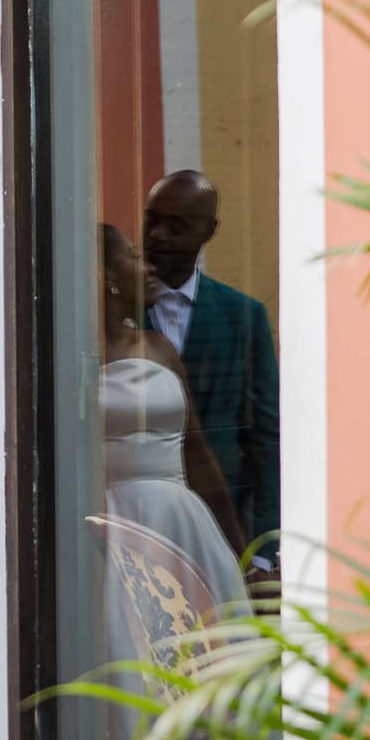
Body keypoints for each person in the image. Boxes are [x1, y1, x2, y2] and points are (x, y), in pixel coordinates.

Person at [99, 225, 246, 606]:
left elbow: (196, 451)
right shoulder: (74, 360)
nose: (148, 267)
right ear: (107, 278)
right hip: (113, 522)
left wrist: (237, 546)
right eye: (133, 256)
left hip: (179, 520)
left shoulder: (159, 348)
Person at [142, 170, 281, 566]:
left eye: (177, 225)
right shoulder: (108, 313)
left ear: (210, 231)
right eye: (152, 218)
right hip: (135, 521)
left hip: (223, 524)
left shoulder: (244, 316)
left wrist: (264, 548)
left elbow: (265, 438)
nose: (158, 235)